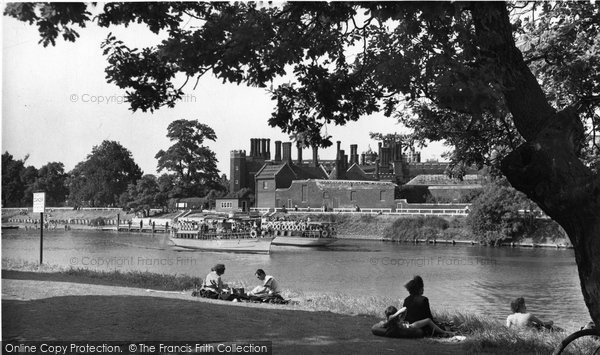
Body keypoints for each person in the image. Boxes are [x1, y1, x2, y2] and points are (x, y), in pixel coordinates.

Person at [375, 306, 454, 338]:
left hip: (406, 326)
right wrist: (396, 314)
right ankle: (443, 332)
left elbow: (405, 309)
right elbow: (403, 309)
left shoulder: (391, 321)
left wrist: (397, 315)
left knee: (428, 321)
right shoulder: (388, 322)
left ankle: (443, 329)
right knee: (428, 320)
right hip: (410, 327)